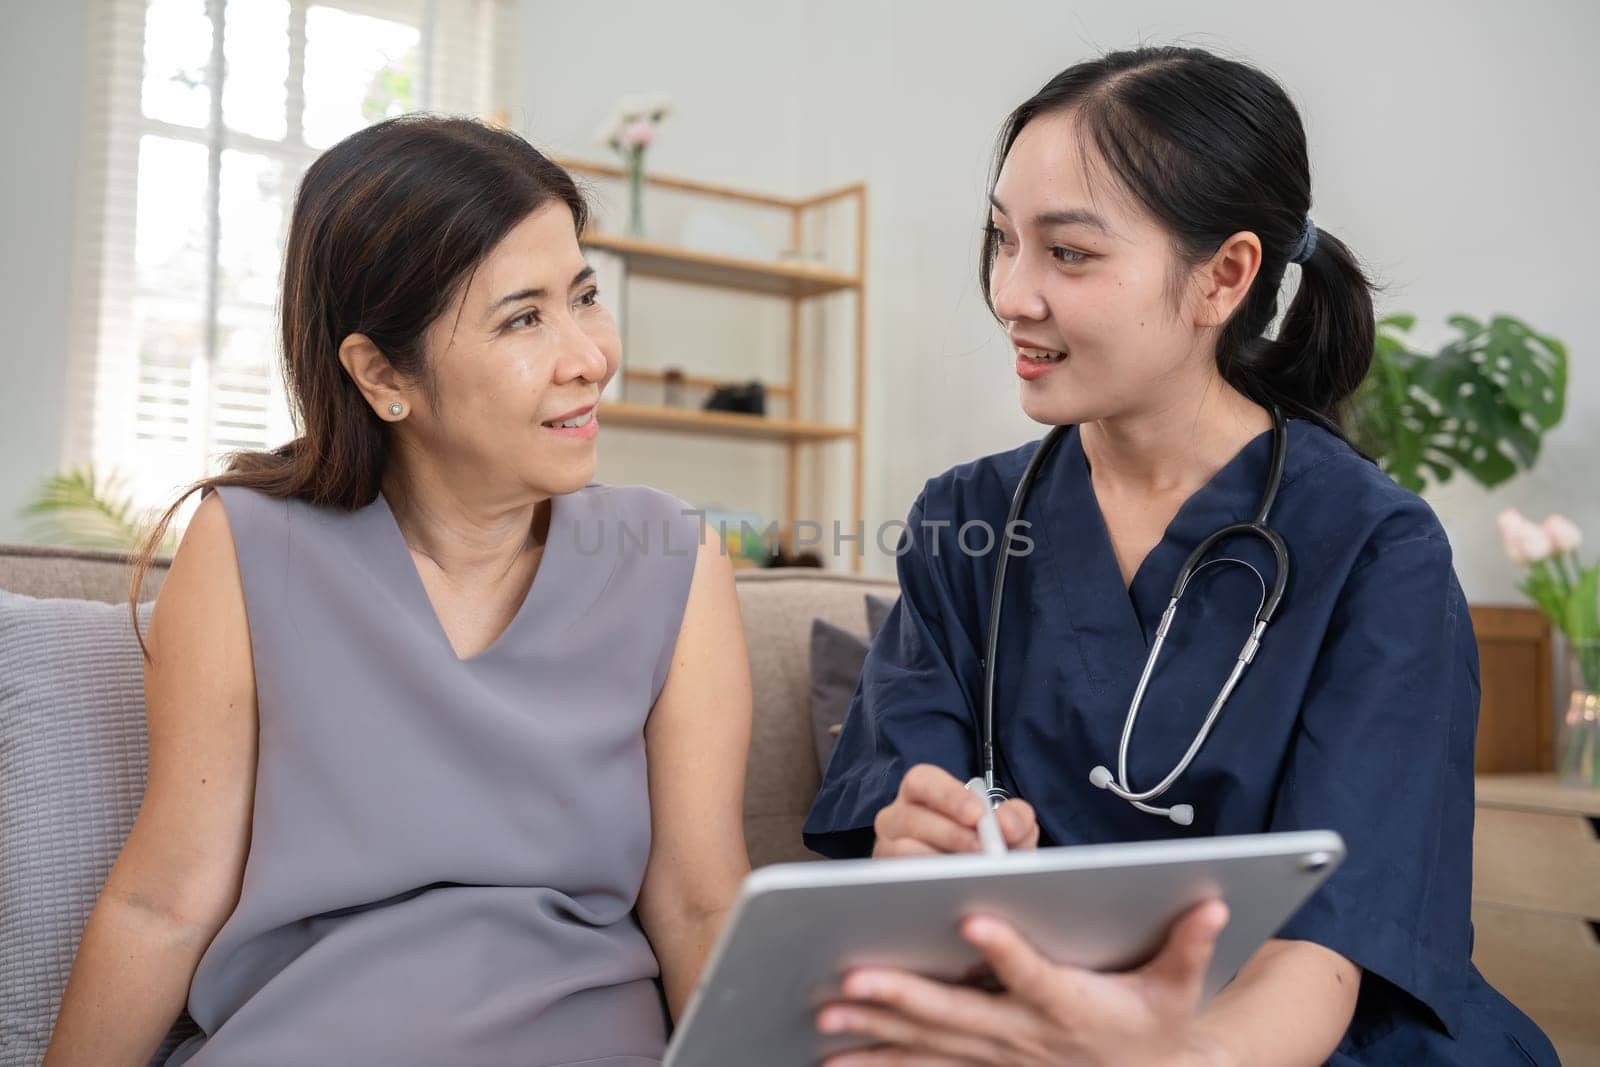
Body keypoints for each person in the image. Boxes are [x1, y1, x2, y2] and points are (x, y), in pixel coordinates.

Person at [804, 47, 1556, 1066]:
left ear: (1225, 276)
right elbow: (908, 813)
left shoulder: (1375, 547)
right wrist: (915, 835)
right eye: (1000, 240)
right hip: (1036, 1021)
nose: (1011, 295)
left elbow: (1332, 945)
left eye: (1067, 254)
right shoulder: (964, 520)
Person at [44, 116, 753, 1066]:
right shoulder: (247, 545)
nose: (589, 355)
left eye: (584, 295)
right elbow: (162, 902)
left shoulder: (674, 559)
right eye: (523, 317)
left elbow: (700, 902)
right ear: (382, 373)